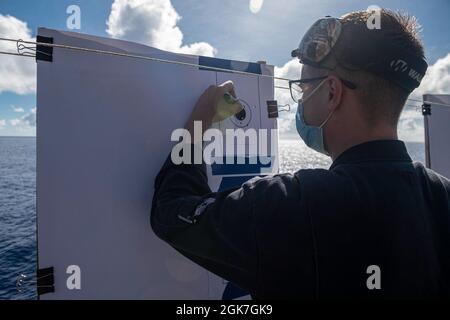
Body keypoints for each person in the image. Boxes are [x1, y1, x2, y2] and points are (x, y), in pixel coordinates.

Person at [150, 9, 450, 299]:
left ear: (332, 92)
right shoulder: (443, 196)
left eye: (305, 87)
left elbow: (173, 213)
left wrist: (198, 124)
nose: (301, 99)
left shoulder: (290, 204)